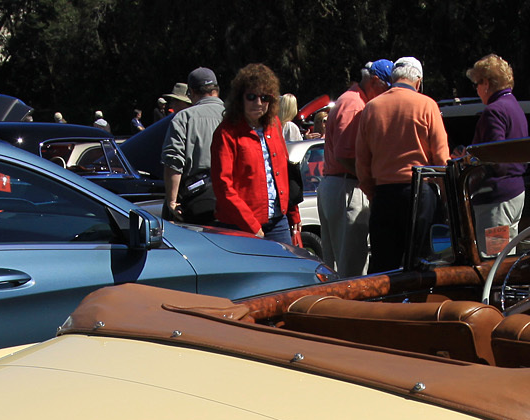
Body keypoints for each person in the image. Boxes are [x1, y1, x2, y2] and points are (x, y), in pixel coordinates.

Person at [354, 56, 449, 272]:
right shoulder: (427, 105)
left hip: (384, 194)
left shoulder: (371, 108)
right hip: (419, 193)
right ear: (418, 81)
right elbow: (441, 158)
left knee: (383, 266)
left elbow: (362, 160)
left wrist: (372, 192)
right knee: (421, 263)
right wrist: (445, 195)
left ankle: (386, 305)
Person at [210, 63, 300, 246]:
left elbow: (284, 172)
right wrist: (252, 226)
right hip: (238, 226)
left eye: (264, 97)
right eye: (251, 97)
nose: (258, 103)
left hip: (277, 222)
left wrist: (293, 213)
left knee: (285, 272)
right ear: (240, 98)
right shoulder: (226, 132)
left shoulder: (274, 125)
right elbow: (223, 186)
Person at [319, 60, 390, 276]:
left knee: (339, 262)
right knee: (351, 265)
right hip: (347, 186)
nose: (388, 94)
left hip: (340, 185)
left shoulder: (350, 99)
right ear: (375, 81)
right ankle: (351, 308)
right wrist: (368, 181)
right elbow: (345, 154)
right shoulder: (355, 105)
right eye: (387, 88)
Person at [466, 53, 529, 236]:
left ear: (486, 83)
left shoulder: (494, 111)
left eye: (476, 84)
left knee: (492, 259)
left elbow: (495, 156)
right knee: (507, 258)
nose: (476, 90)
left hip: (496, 197)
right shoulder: (514, 106)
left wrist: (468, 159)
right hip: (515, 192)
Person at [161, 67, 226, 224]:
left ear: (191, 92)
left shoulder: (184, 118)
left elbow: (174, 162)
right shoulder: (234, 115)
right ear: (216, 89)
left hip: (198, 202)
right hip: (233, 200)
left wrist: (172, 201)